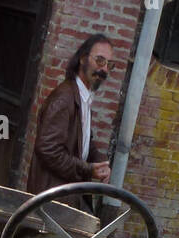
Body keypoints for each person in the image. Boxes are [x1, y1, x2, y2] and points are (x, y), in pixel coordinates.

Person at [28, 34, 114, 196]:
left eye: (109, 64)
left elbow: (83, 141)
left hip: (65, 194)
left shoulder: (83, 95)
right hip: (51, 197)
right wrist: (87, 170)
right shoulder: (64, 99)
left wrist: (100, 162)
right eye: (100, 61)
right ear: (83, 59)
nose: (104, 69)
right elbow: (48, 149)